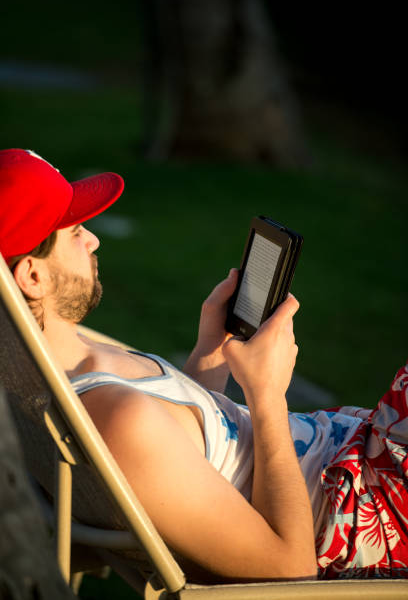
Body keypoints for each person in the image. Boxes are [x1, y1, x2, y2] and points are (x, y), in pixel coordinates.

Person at [0, 148, 407, 581]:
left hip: (358, 458)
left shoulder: (49, 371)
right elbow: (290, 569)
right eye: (76, 230)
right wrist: (268, 395)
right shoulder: (116, 420)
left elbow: (188, 452)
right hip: (364, 507)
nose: (93, 240)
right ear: (32, 277)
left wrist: (211, 351)